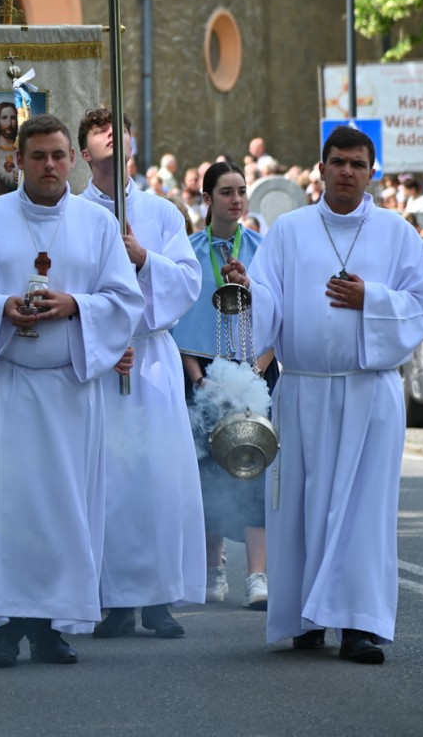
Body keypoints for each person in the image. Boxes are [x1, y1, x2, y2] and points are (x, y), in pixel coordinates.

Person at [0, 114, 143, 668]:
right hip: (6, 387)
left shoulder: (98, 225)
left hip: (70, 391)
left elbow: (125, 300)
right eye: (38, 156)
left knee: (63, 513)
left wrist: (76, 305)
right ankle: (5, 630)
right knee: (4, 512)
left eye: (58, 155)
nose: (49, 165)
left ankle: (51, 628)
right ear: (18, 162)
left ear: (73, 160)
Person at [233, 124, 423, 663]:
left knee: (363, 512)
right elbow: (267, 301)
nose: (347, 171)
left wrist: (372, 298)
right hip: (303, 390)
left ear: (371, 173)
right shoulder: (289, 230)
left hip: (369, 392)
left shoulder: (397, 233)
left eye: (358, 164)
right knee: (299, 508)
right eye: (338, 162)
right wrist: (248, 289)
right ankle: (305, 619)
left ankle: (358, 625)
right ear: (321, 168)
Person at [77, 107, 206, 640]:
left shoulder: (161, 212)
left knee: (157, 479)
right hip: (96, 363)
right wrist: (102, 340)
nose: (113, 138)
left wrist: (145, 258)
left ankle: (157, 598)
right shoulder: (73, 214)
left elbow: (189, 280)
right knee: (107, 481)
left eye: (120, 132)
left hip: (150, 358)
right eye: (101, 133)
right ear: (84, 153)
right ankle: (111, 599)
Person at [171, 163, 273, 609]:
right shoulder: (189, 251)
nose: (236, 200)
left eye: (241, 191)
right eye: (227, 192)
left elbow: (277, 317)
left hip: (254, 370)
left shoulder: (263, 249)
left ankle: (257, 575)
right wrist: (200, 380)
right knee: (207, 471)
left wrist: (256, 372)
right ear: (207, 198)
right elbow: (178, 322)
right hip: (204, 373)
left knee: (255, 467)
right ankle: (214, 568)